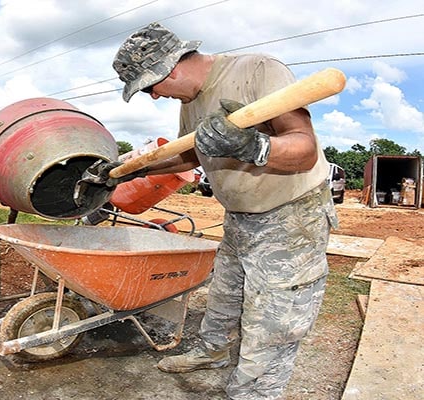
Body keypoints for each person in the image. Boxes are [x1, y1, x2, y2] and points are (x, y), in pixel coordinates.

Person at [109, 22, 339, 399]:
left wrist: (254, 147)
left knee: (273, 318)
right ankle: (211, 352)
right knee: (226, 295)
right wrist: (135, 168)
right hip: (240, 216)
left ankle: (254, 392)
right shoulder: (189, 100)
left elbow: (304, 150)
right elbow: (189, 152)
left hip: (290, 214)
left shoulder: (257, 71)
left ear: (171, 67)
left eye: (150, 87)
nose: (153, 97)